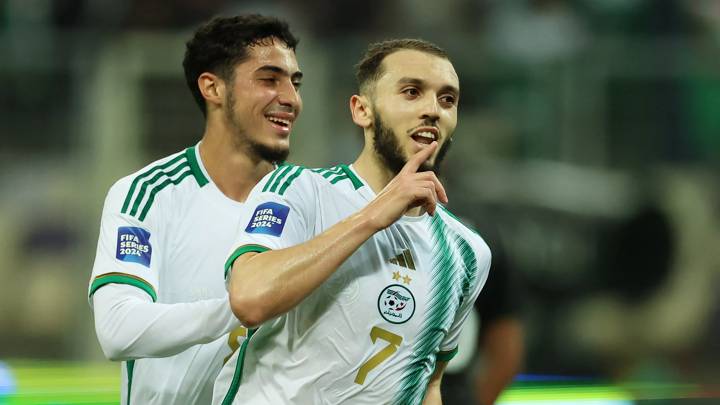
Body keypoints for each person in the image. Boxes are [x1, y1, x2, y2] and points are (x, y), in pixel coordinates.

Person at [213, 38, 491, 405]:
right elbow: (249, 298)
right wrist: (373, 216)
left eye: (447, 100)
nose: (433, 110)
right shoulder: (301, 189)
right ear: (362, 111)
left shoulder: (466, 252)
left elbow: (430, 382)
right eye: (411, 92)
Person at [87, 14, 303, 404]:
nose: (291, 98)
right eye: (270, 79)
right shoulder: (147, 194)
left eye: (294, 82)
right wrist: (248, 304)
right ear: (213, 88)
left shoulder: (309, 200)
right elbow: (118, 328)